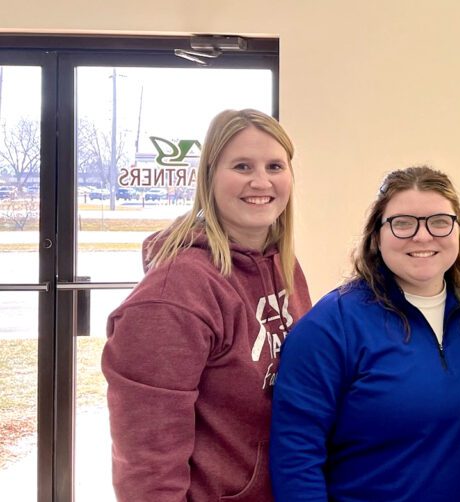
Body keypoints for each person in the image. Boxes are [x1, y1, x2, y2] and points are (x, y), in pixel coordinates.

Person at [102, 108, 312, 501]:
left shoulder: (282, 262)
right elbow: (148, 464)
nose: (261, 181)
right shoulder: (173, 296)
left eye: (274, 165)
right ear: (210, 176)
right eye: (242, 166)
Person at [270, 166, 460, 502]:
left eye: (439, 221)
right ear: (377, 236)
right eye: (403, 223)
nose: (423, 237)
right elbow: (296, 457)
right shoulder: (331, 326)